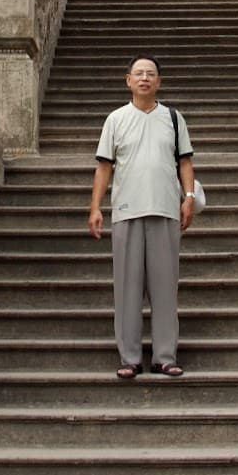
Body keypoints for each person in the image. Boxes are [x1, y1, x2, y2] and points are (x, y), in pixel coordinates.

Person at [87, 54, 196, 379]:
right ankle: (130, 357)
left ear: (158, 81)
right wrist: (95, 207)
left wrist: (188, 197)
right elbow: (104, 167)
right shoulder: (116, 119)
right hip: (126, 211)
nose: (145, 78)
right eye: (139, 73)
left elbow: (185, 163)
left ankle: (165, 356)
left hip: (165, 209)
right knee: (127, 288)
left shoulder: (173, 119)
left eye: (150, 73)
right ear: (129, 81)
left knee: (165, 288)